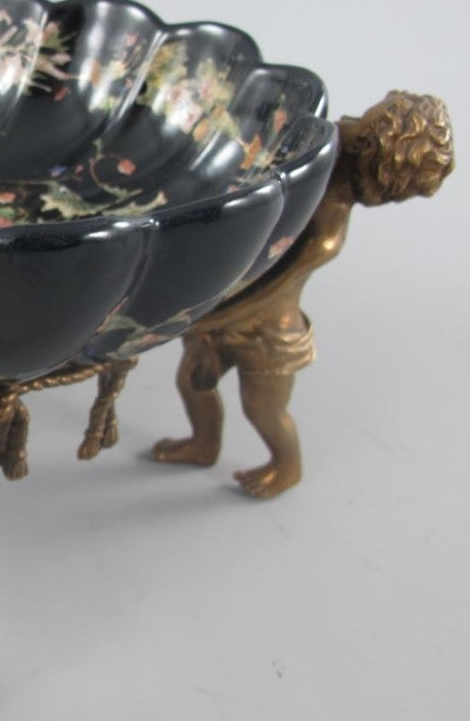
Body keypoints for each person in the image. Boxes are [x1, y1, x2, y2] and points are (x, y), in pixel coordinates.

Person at [152, 91, 454, 497]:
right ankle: (203, 444)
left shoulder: (326, 235)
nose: (344, 126)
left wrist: (196, 319)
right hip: (224, 310)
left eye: (355, 129)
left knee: (263, 409)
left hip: (268, 335)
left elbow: (266, 293)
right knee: (192, 384)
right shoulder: (320, 146)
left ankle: (286, 467)